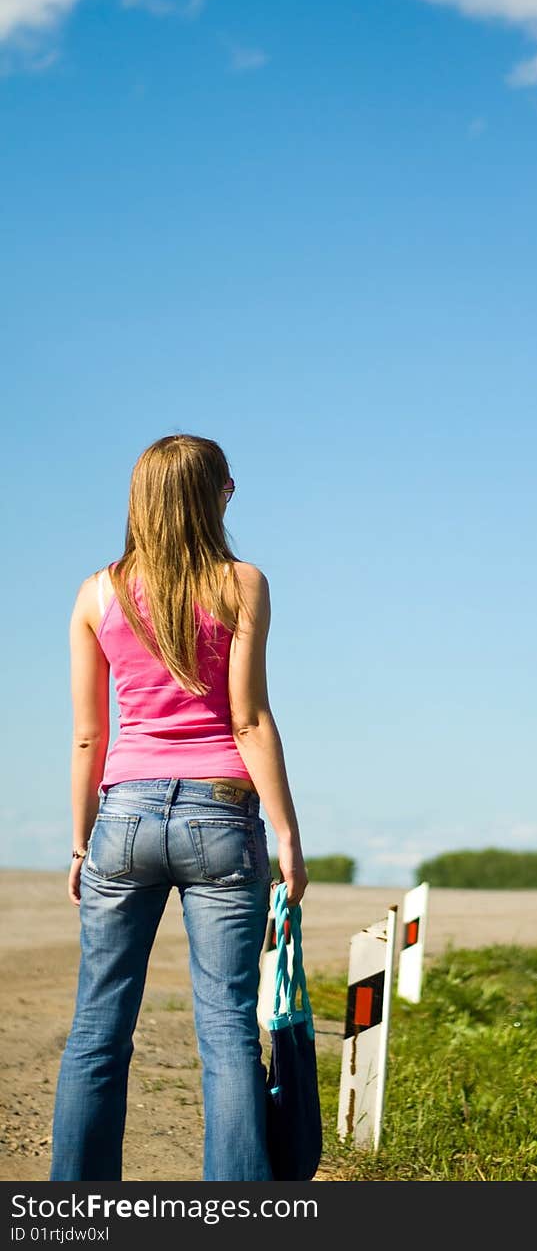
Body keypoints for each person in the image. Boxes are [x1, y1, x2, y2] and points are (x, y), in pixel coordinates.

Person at [50, 433, 308, 1181]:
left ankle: (78, 1209)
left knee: (98, 1026)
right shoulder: (242, 583)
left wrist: (80, 843)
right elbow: (249, 720)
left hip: (123, 818)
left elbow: (88, 735)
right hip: (222, 816)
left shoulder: (95, 593)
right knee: (227, 1027)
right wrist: (287, 834)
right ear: (220, 495)